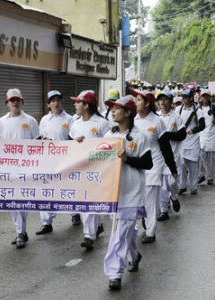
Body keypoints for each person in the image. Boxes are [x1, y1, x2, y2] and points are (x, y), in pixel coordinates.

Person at [103, 95, 153, 290]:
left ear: (128, 113)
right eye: (112, 108)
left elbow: (148, 163)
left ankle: (115, 272)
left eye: (117, 108)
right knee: (123, 232)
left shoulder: (140, 136)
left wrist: (128, 158)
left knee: (120, 232)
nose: (113, 111)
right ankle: (134, 255)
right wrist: (81, 143)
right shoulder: (109, 136)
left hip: (132, 192)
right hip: (113, 192)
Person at [0, 88, 39, 249]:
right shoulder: (1, 122)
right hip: (8, 167)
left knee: (23, 200)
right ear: (7, 103)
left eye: (18, 99)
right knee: (12, 201)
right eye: (12, 100)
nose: (15, 102)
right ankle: (21, 231)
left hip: (26, 167)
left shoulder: (31, 121)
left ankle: (22, 231)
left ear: (22, 101)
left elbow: (38, 143)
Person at [132, 89, 178, 244]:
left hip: (154, 166)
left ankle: (150, 232)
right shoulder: (133, 120)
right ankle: (146, 220)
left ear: (146, 103)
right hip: (137, 167)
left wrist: (173, 169)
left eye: (138, 100)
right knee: (140, 200)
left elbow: (165, 148)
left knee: (151, 201)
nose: (135, 102)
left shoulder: (157, 122)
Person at [69, 90, 111, 250]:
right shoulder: (75, 124)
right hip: (80, 169)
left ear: (86, 105)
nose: (75, 105)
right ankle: (96, 227)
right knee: (83, 201)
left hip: (98, 169)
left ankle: (89, 235)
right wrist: (75, 143)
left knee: (91, 200)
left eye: (78, 102)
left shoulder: (102, 124)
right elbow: (69, 146)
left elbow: (109, 147)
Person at [35, 90, 76, 234]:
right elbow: (40, 138)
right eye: (52, 101)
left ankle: (74, 212)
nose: (56, 103)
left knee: (68, 188)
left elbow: (73, 139)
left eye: (58, 100)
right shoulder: (44, 120)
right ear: (48, 105)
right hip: (49, 160)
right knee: (46, 189)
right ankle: (46, 222)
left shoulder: (69, 119)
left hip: (66, 159)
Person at [157, 92, 186, 221]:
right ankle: (164, 211)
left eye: (165, 100)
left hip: (174, 156)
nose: (162, 102)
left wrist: (167, 135)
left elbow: (182, 135)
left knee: (173, 182)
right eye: (160, 100)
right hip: (159, 158)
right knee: (162, 187)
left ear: (171, 101)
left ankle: (174, 197)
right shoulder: (156, 118)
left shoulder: (176, 117)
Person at [175, 89, 205, 195]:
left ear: (191, 98)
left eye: (185, 97)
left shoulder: (197, 110)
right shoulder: (178, 110)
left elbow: (202, 125)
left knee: (193, 166)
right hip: (182, 143)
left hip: (193, 142)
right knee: (181, 166)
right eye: (182, 97)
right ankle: (182, 186)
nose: (183, 99)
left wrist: (193, 131)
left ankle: (193, 187)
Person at [197, 89, 215, 185]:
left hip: (213, 135)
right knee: (201, 156)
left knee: (212, 158)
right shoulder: (198, 108)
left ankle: (210, 177)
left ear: (209, 97)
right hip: (202, 135)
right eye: (203, 96)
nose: (205, 98)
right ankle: (202, 174)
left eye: (207, 96)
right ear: (201, 97)